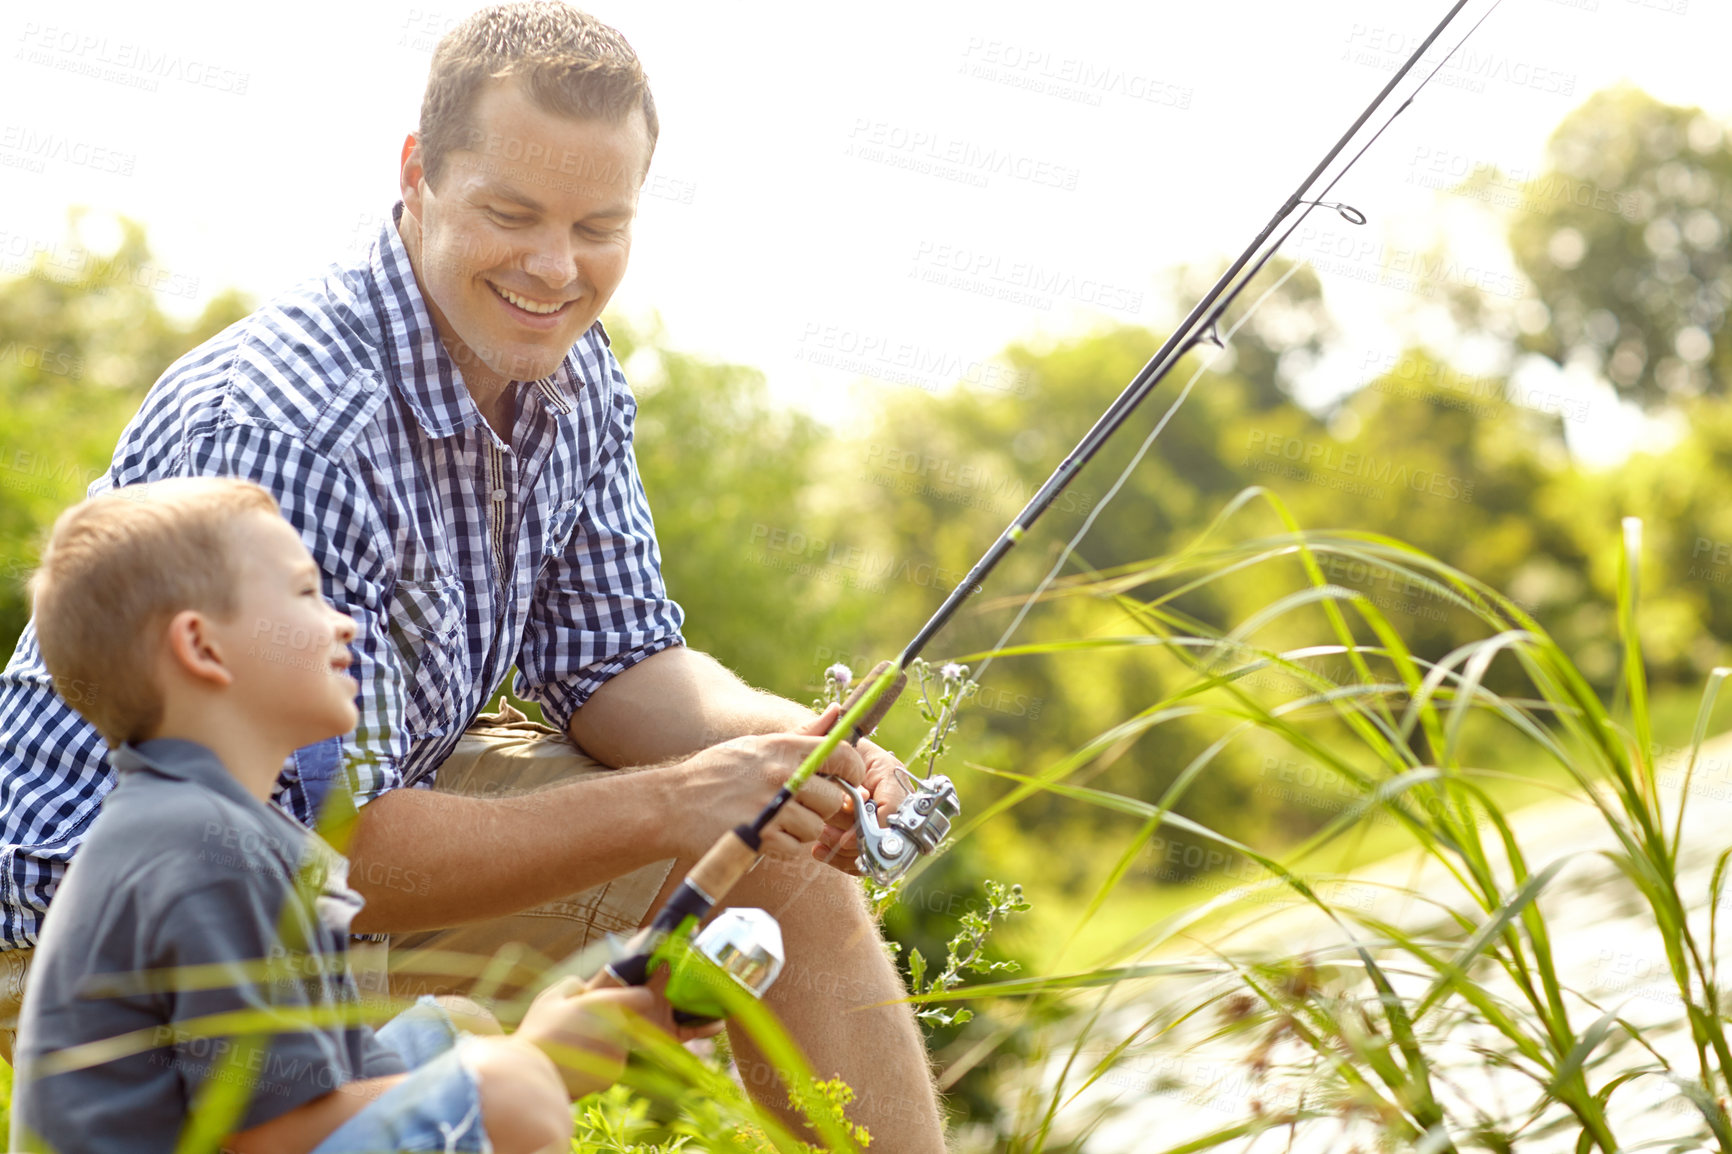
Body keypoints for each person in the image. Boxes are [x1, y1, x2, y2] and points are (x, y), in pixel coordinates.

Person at [0, 3, 945, 1147]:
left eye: (600, 225)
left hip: (341, 840)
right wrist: (676, 797)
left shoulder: (571, 372)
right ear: (417, 174)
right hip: (135, 927)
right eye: (512, 214)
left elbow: (615, 658)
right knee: (490, 1089)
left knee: (783, 861)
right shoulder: (293, 428)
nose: (556, 268)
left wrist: (788, 752)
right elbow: (330, 843)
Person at [11, 477, 714, 1153]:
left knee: (462, 1037)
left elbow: (349, 1081)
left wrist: (557, 1035)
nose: (343, 620)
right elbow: (282, 1134)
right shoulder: (196, 847)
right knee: (508, 1092)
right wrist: (537, 1067)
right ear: (201, 647)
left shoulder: (230, 831)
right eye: (306, 594)